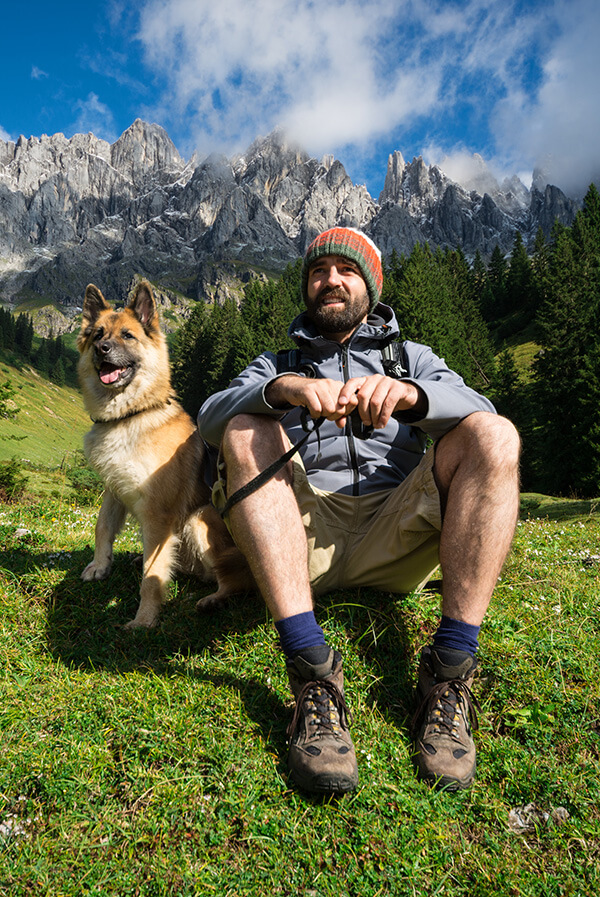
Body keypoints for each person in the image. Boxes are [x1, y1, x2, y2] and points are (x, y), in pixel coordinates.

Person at [197, 227, 520, 795]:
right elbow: (210, 418)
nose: (331, 281)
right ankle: (310, 671)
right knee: (246, 427)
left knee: (494, 436)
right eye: (319, 272)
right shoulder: (280, 362)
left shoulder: (410, 357)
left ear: (369, 284)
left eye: (346, 270)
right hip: (301, 540)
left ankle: (448, 674)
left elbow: (480, 408)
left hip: (399, 531)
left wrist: (412, 397)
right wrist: (284, 390)